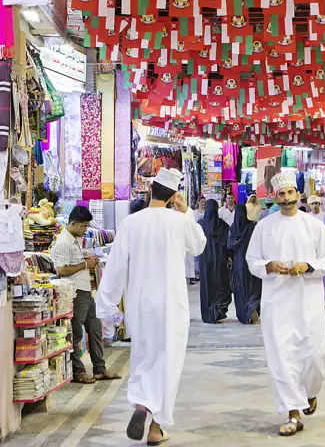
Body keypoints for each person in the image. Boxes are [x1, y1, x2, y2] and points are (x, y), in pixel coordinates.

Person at [96, 168, 206, 446]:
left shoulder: (131, 223)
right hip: (172, 304)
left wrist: (107, 308)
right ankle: (156, 428)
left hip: (140, 304)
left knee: (144, 357)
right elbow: (199, 246)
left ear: (150, 191)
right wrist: (186, 212)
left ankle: (141, 404)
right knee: (169, 362)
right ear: (172, 197)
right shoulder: (179, 222)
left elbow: (116, 267)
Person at [247, 172, 325, 437]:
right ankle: (292, 413)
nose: (287, 199)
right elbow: (252, 261)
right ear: (275, 197)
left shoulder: (314, 225)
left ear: (298, 194)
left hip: (308, 302)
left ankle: (309, 393)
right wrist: (270, 265)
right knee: (282, 357)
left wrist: (306, 266)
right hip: (277, 302)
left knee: (314, 356)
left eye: (290, 193)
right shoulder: (265, 227)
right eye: (281, 194)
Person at [52, 205, 120, 384]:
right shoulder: (64, 242)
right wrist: (85, 265)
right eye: (82, 226)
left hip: (85, 291)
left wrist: (87, 261)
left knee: (96, 329)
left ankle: (99, 368)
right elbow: (61, 270)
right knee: (76, 333)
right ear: (73, 223)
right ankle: (78, 371)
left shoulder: (74, 239)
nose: (85, 230)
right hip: (75, 292)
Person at [198, 199, 233, 323]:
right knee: (219, 285)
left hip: (205, 260)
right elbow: (228, 244)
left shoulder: (200, 224)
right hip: (220, 261)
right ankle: (218, 310)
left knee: (207, 286)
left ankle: (208, 313)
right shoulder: (223, 225)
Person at [228, 204, 261, 324]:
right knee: (252, 287)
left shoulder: (233, 228)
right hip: (251, 261)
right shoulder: (252, 225)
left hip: (238, 262)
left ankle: (244, 314)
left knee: (240, 289)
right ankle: (251, 307)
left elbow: (230, 246)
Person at [173, 194, 199, 284]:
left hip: (186, 240)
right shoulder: (172, 212)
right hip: (176, 242)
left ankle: (190, 277)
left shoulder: (189, 211)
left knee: (188, 260)